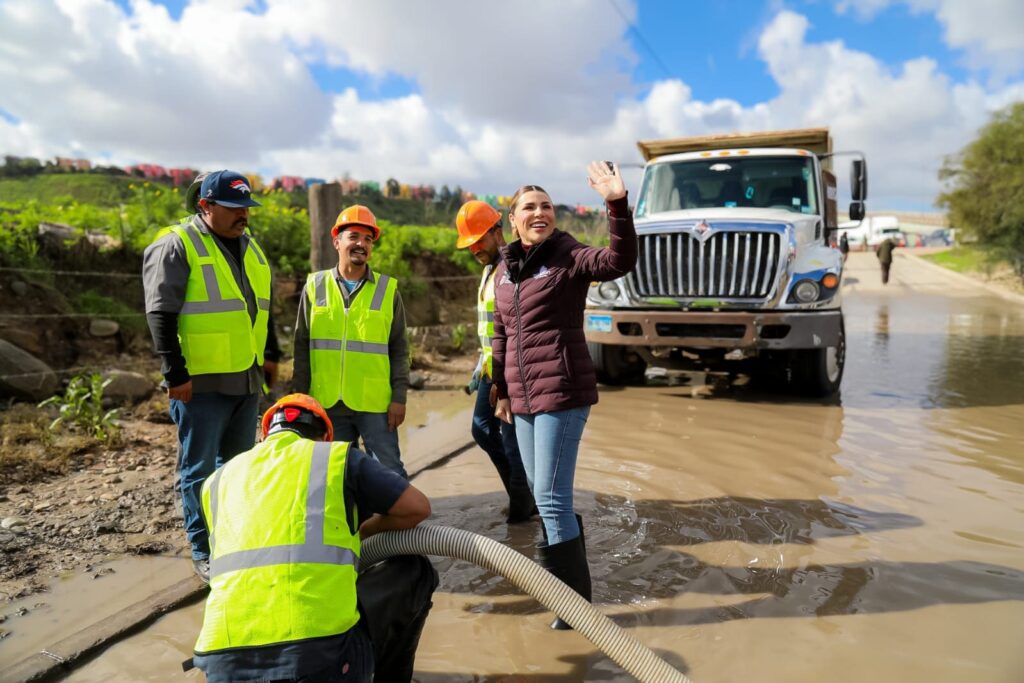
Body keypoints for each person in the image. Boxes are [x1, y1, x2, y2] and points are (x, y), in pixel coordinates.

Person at [187, 394, 436, 683]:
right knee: (415, 571)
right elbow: (418, 508)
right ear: (323, 436)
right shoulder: (337, 458)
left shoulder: (217, 480)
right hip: (319, 659)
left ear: (266, 434)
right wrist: (364, 531)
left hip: (222, 665)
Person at [492, 161, 637, 629]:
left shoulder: (567, 256)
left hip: (563, 390)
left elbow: (618, 261)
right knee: (541, 494)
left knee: (552, 498)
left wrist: (616, 203)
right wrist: (501, 390)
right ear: (511, 219)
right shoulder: (504, 267)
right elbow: (502, 332)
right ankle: (565, 593)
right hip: (523, 397)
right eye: (529, 207)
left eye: (547, 206)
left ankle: (573, 610)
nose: (540, 213)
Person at [143, 170, 281, 582]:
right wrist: (174, 372)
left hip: (245, 376)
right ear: (205, 206)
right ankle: (203, 550)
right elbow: (160, 314)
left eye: (246, 208)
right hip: (199, 382)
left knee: (237, 467)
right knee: (198, 469)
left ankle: (233, 540)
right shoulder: (176, 245)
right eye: (234, 208)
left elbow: (260, 304)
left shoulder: (250, 246)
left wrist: (270, 352)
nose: (244, 216)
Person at [293, 205, 411, 479]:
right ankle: (349, 522)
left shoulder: (387, 289)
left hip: (374, 404)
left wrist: (399, 397)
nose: (361, 244)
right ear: (337, 242)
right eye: (354, 236)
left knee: (389, 472)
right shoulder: (315, 286)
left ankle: (397, 522)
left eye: (368, 239)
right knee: (332, 474)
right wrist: (300, 397)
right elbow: (300, 346)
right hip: (327, 401)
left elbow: (400, 348)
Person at [454, 200, 536, 524]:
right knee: (482, 430)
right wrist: (481, 365)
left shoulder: (512, 267)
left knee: (512, 443)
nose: (474, 248)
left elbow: (516, 327)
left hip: (510, 368)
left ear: (497, 231)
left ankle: (522, 514)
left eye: (479, 240)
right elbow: (492, 326)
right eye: (469, 243)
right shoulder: (490, 268)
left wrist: (506, 383)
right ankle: (524, 497)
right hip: (491, 365)